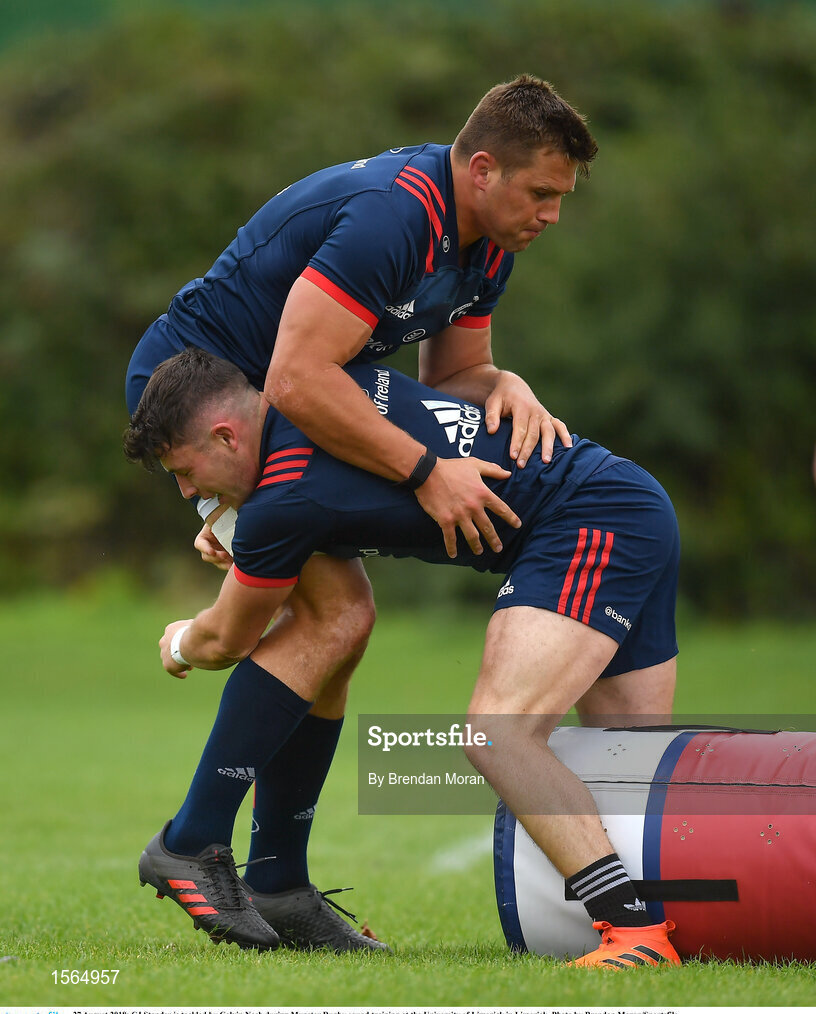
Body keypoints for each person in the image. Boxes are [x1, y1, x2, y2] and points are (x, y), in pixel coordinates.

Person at [124, 75, 599, 949]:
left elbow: (454, 377)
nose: (551, 215)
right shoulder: (396, 216)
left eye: (560, 198)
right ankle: (192, 842)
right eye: (541, 193)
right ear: (483, 168)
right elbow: (297, 378)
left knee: (341, 631)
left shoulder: (487, 241)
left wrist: (511, 383)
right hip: (211, 408)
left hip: (286, 405)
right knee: (339, 617)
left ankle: (277, 883)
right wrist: (426, 472)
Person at [124, 348, 683, 969]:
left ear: (226, 435)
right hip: (629, 496)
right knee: (626, 762)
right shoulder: (328, 387)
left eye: (184, 469)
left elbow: (226, 639)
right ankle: (688, 915)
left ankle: (637, 935)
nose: (186, 491)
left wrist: (178, 642)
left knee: (500, 734)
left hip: (587, 522)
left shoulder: (283, 501)